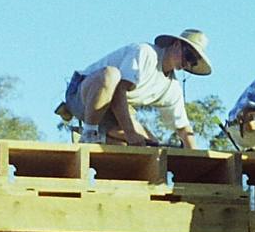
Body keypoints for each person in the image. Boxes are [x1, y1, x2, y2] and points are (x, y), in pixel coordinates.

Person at [55, 29, 211, 149]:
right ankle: (89, 133)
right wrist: (130, 133)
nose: (189, 64)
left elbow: (183, 128)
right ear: (177, 44)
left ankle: (94, 135)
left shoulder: (172, 87)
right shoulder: (145, 53)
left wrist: (196, 157)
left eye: (194, 63)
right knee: (111, 74)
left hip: (111, 111)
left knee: (149, 146)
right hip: (83, 95)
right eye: (189, 56)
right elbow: (118, 92)